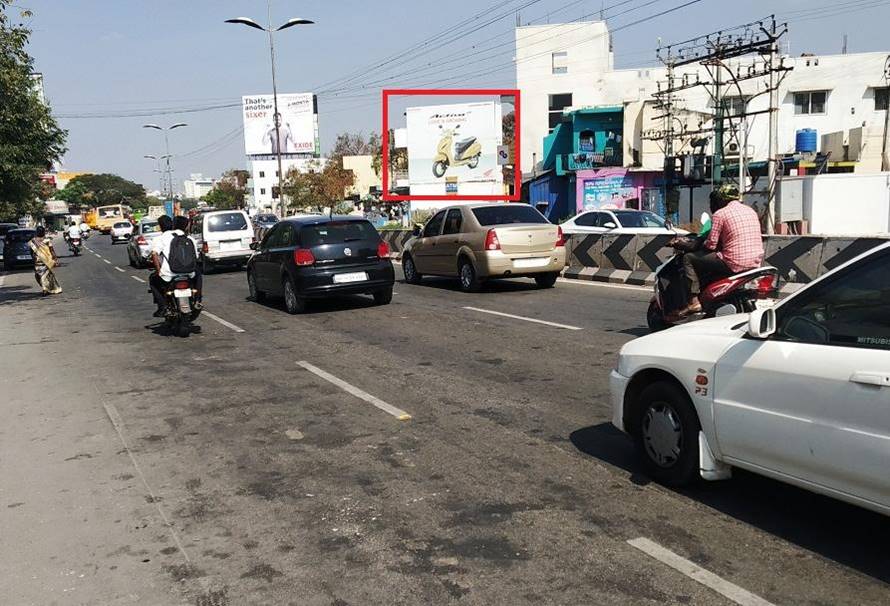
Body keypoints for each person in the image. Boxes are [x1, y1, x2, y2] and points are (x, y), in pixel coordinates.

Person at [678, 186, 764, 316]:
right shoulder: (751, 211)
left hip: (734, 262)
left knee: (689, 258)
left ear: (721, 200)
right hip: (755, 261)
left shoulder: (720, 214)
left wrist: (694, 246)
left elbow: (711, 245)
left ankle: (694, 302)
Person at [148, 215, 201, 317]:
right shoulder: (190, 239)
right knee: (198, 275)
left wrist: (158, 270)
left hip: (169, 274)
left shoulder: (162, 238)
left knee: (153, 280)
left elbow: (154, 254)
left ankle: (163, 306)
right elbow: (196, 256)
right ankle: (198, 299)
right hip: (189, 273)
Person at [28, 226, 62, 295]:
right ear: (44, 232)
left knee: (40, 275)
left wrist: (33, 258)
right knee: (45, 275)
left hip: (38, 261)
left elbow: (31, 252)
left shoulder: (33, 241)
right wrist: (55, 259)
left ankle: (45, 289)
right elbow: (52, 250)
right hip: (46, 260)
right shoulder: (46, 240)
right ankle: (48, 288)